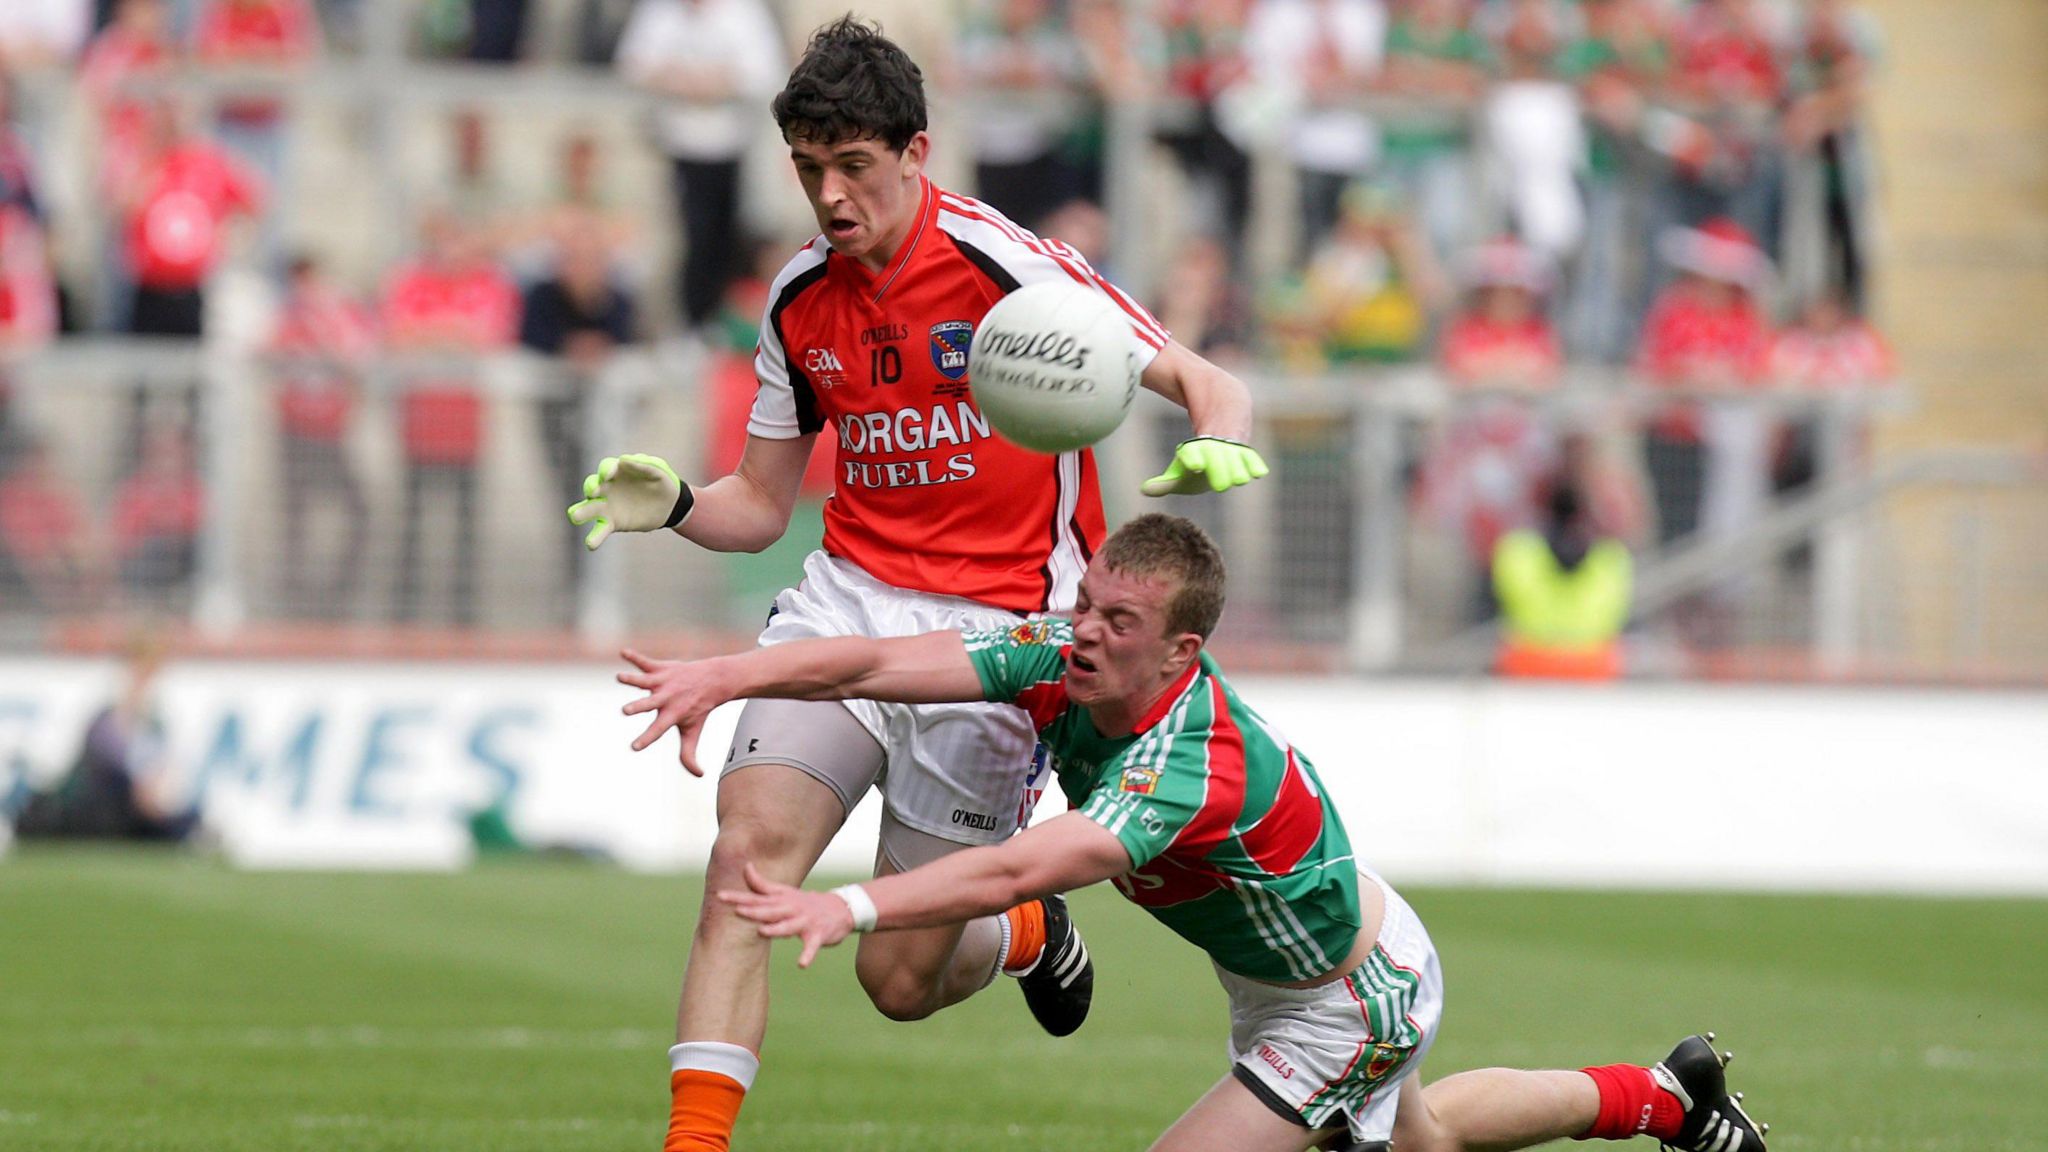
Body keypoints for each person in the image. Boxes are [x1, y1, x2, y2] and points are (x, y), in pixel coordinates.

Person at [563, 18, 1271, 1152]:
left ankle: (1023, 931)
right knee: (745, 860)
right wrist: (682, 507)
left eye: (852, 166)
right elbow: (759, 504)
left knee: (896, 982)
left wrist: (1222, 438)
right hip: (848, 599)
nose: (830, 196)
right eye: (808, 169)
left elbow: (1196, 375)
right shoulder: (798, 300)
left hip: (998, 636)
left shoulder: (1008, 266)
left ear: (914, 153)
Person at [617, 513, 1769, 1152]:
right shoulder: (1058, 656)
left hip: (1347, 997)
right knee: (1427, 1142)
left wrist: (847, 903)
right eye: (1085, 606)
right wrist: (732, 671)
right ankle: (1662, 1096)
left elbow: (1027, 861)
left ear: (1178, 651)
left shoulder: (1187, 760)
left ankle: (1659, 1103)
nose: (1084, 634)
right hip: (1299, 973)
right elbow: (875, 660)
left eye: (1117, 622)